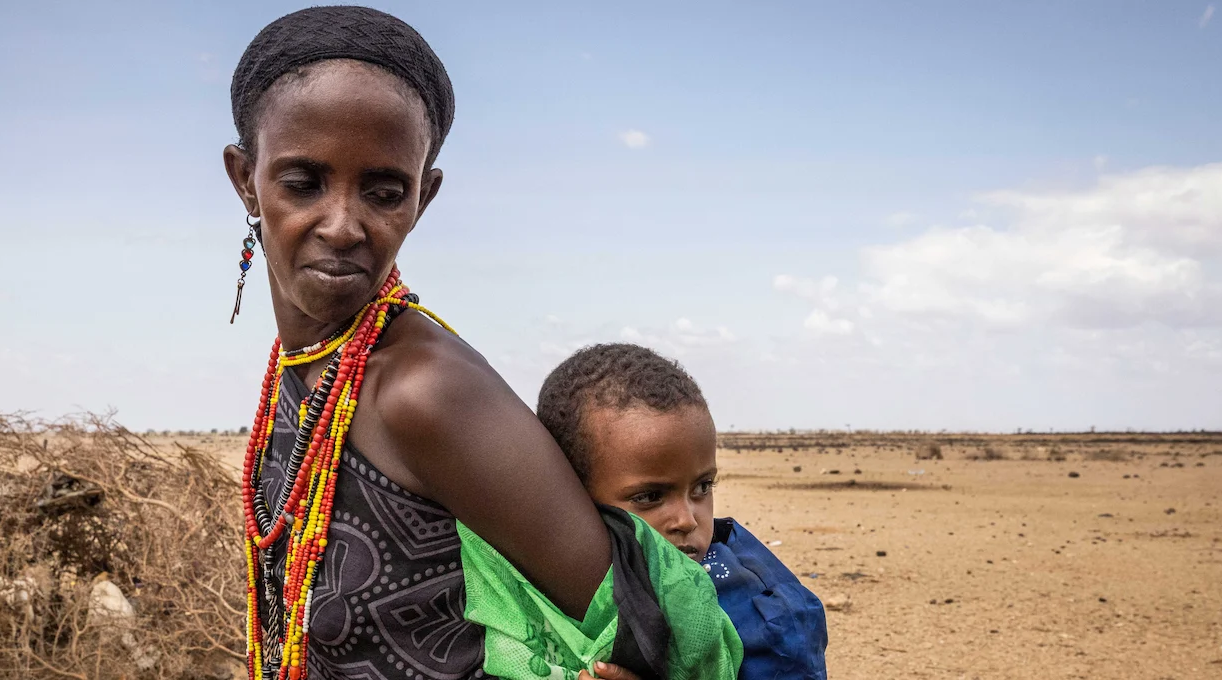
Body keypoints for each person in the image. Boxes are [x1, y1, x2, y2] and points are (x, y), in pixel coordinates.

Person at [223, 8, 735, 680]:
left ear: (424, 197)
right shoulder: (308, 369)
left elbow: (667, 629)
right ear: (244, 180)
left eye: (384, 192)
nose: (343, 224)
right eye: (303, 183)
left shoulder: (424, 390)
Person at [537, 344, 830, 680]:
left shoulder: (763, 620)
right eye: (650, 496)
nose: (688, 519)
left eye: (703, 488)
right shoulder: (538, 577)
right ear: (572, 498)